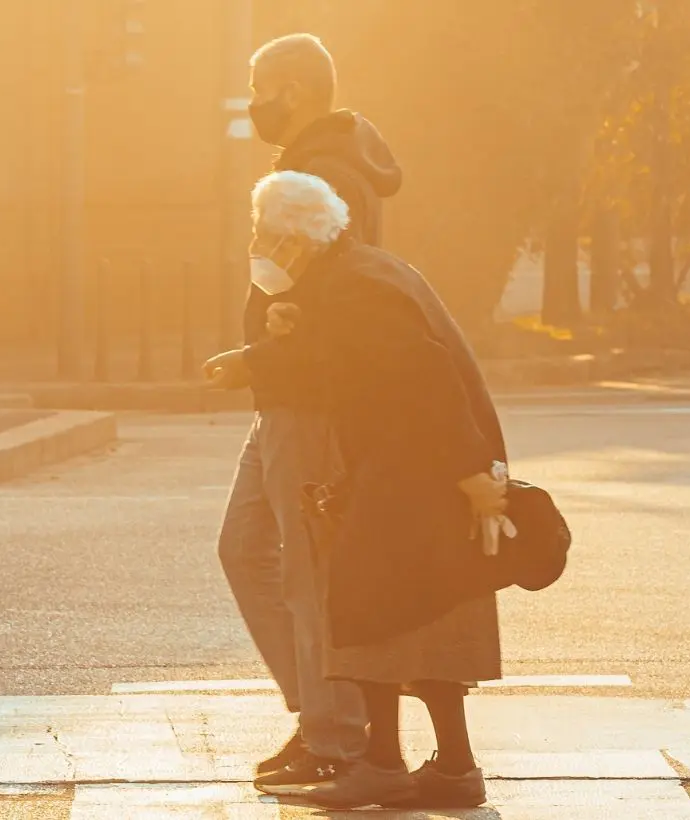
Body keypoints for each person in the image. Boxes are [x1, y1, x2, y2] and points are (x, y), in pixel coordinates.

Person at [205, 171, 509, 810]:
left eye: (265, 232)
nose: (258, 244)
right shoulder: (353, 274)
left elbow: (426, 375)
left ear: (295, 237)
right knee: (416, 619)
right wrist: (281, 339)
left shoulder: (357, 287)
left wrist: (472, 473)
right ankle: (447, 767)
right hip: (404, 465)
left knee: (369, 611)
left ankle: (382, 764)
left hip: (407, 470)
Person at [214, 32, 402, 794]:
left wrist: (260, 357)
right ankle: (320, 714)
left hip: (312, 399)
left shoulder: (325, 175)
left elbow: (321, 305)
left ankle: (336, 734)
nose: (255, 102)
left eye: (262, 86)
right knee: (247, 548)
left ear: (293, 88)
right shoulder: (325, 165)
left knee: (305, 569)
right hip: (285, 397)